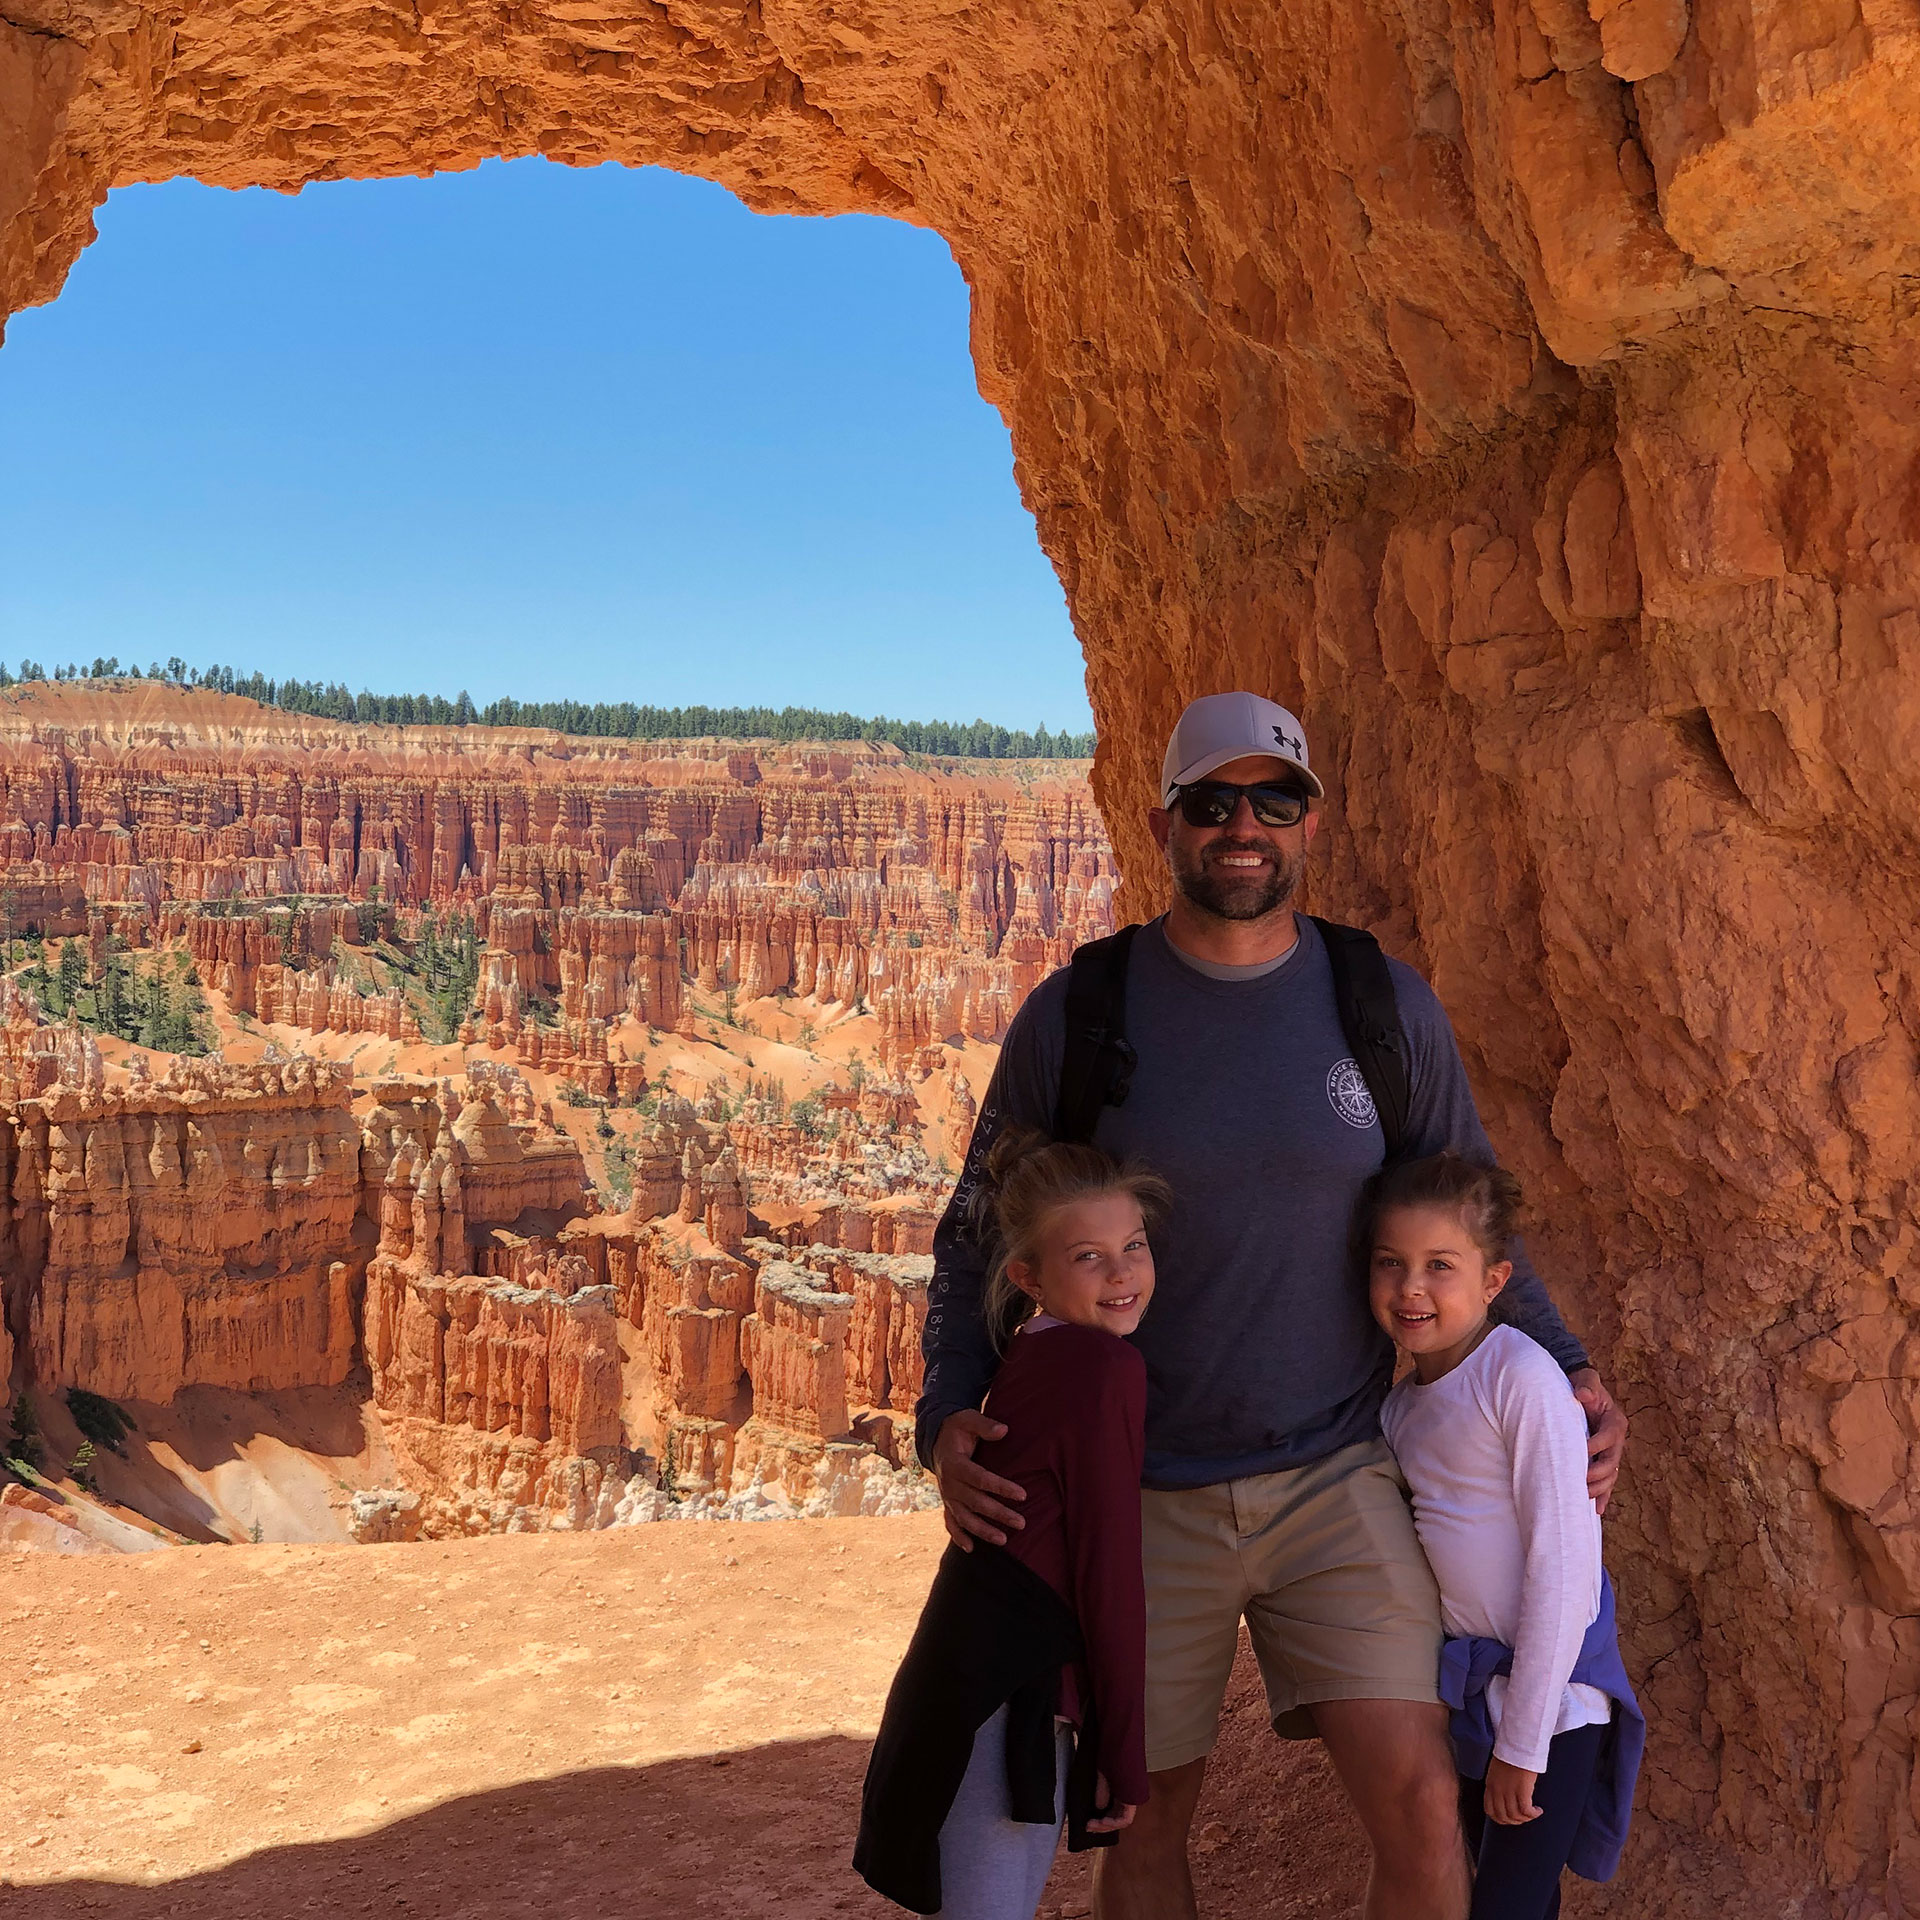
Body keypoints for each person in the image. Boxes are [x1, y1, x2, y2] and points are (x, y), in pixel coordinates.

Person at [918, 691, 1630, 1920]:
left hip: (1338, 1475)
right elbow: (982, 1230)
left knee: (1417, 1805)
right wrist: (944, 1406)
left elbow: (1467, 1207)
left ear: (1309, 821)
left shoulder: (1377, 1003)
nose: (1243, 827)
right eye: (1212, 802)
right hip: (1141, 1492)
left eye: (1274, 799)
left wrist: (1564, 1363)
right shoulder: (1080, 1013)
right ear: (1165, 824)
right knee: (1143, 1823)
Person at [856, 1130, 1172, 1919]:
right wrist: (1120, 1755)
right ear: (1027, 1275)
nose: (1122, 1272)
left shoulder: (1035, 1349)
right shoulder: (1106, 1370)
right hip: (1006, 1698)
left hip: (967, 1671)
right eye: (1088, 1257)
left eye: (1132, 1245)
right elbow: (1107, 1576)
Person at [1366, 1152, 1643, 1920]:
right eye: (1391, 1263)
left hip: (1551, 1707)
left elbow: (1564, 1571)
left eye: (1439, 1266)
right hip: (1477, 1704)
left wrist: (1524, 1745)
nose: (1411, 1287)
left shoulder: (1519, 1380)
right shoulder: (1401, 1412)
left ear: (1494, 1281)